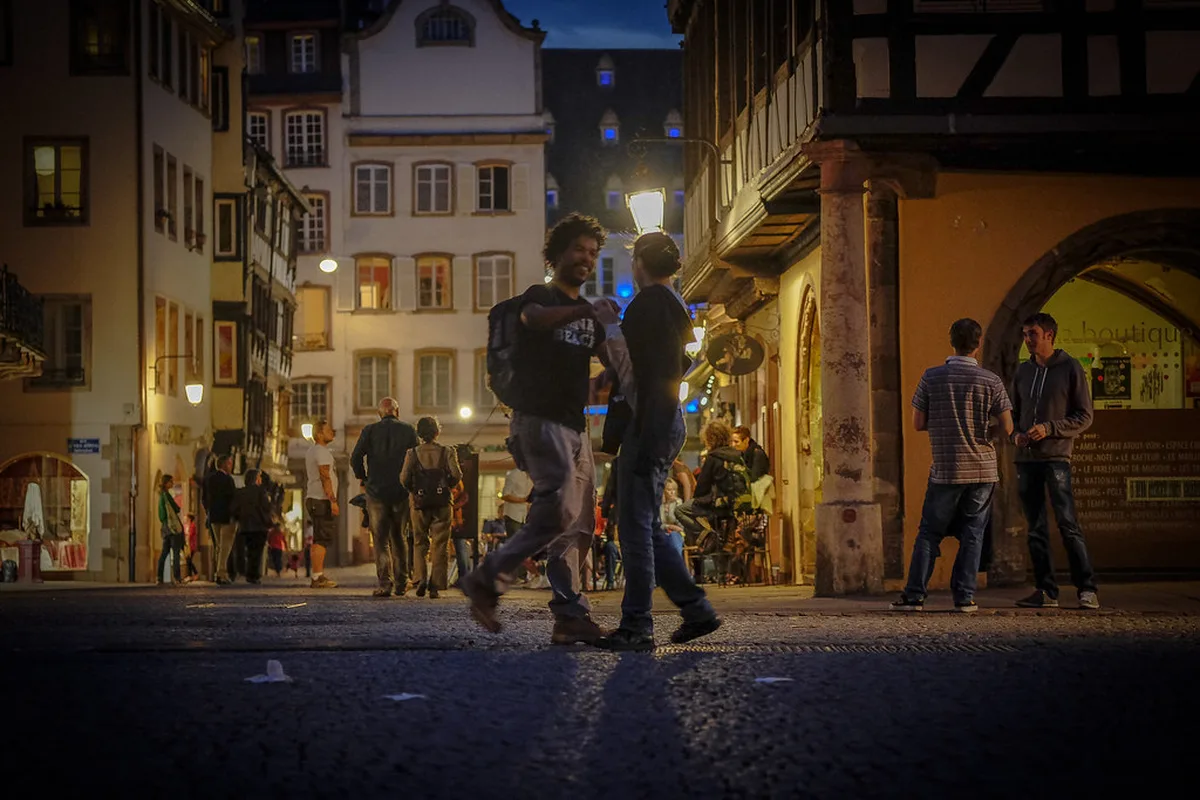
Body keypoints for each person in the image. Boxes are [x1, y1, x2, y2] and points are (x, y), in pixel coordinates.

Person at [460, 212, 610, 645]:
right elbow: (533, 319)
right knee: (558, 507)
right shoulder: (540, 298)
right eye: (578, 249)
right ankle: (486, 578)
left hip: (575, 426)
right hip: (538, 421)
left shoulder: (590, 320)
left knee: (578, 523)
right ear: (557, 254)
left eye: (593, 253)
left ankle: (570, 615)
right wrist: (586, 310)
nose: (586, 258)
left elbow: (604, 374)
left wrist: (618, 376)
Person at [594, 231, 721, 651]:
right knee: (646, 526)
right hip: (661, 419)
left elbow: (635, 369)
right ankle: (695, 610)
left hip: (649, 421)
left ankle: (637, 624)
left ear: (639, 265)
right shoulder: (673, 305)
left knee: (635, 528)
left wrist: (609, 326)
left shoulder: (649, 305)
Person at [890, 318, 1014, 613]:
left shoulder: (931, 377)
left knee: (929, 533)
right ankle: (964, 597)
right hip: (983, 469)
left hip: (947, 468)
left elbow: (918, 422)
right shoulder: (991, 381)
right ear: (978, 343)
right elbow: (1008, 426)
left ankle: (915, 595)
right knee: (973, 533)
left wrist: (945, 424)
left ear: (951, 341)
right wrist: (986, 431)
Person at [1010, 312, 1100, 610]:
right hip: (1026, 460)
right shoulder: (1023, 371)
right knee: (1035, 527)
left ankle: (1087, 589)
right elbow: (1012, 413)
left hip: (1056, 457)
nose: (1027, 339)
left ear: (1049, 335)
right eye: (1025, 334)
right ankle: (1046, 591)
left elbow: (1084, 416)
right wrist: (1016, 435)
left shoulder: (1070, 368)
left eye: (1032, 334)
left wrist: (1050, 428)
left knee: (1067, 523)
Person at [351, 397, 420, 598]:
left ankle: (384, 584)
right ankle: (401, 582)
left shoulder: (370, 430)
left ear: (379, 413)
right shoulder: (409, 430)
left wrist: (363, 478)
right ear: (397, 412)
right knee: (399, 537)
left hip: (376, 492)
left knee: (380, 540)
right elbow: (416, 459)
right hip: (401, 491)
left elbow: (355, 457)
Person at [400, 416, 462, 599]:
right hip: (442, 502)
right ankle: (435, 585)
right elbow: (457, 474)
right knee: (440, 543)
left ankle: (420, 579)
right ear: (437, 432)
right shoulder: (447, 451)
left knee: (419, 542)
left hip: (419, 502)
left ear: (419, 433)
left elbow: (404, 478)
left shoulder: (412, 453)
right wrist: (447, 486)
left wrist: (414, 490)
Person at [674, 420, 748, 542]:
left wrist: (698, 497)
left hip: (717, 503)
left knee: (680, 510)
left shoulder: (713, 457)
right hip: (737, 501)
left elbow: (702, 487)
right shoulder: (738, 455)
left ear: (710, 439)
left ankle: (707, 534)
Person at [304, 418, 340, 589]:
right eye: (328, 430)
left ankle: (318, 574)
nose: (332, 432)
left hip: (314, 498)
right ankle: (317, 576)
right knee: (321, 539)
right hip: (320, 499)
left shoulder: (313, 451)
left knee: (320, 537)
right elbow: (325, 476)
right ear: (319, 434)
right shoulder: (321, 452)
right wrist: (332, 500)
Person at [232, 468, 273, 584]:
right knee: (257, 552)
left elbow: (234, 509)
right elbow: (266, 507)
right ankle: (253, 575)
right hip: (259, 526)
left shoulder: (240, 492)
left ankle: (246, 572)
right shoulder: (261, 491)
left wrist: (239, 518)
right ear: (256, 479)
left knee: (249, 551)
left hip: (244, 526)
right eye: (259, 477)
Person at [202, 454, 236, 586]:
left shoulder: (209, 479)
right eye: (229, 463)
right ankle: (221, 573)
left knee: (218, 546)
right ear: (224, 464)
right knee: (225, 547)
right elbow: (232, 498)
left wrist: (209, 510)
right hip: (226, 517)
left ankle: (219, 572)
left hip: (213, 516)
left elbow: (204, 498)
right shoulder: (228, 479)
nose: (231, 466)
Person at [156, 475, 184, 586]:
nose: (172, 483)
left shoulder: (161, 496)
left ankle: (159, 577)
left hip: (165, 527)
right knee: (176, 552)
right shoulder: (167, 496)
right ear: (166, 483)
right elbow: (176, 508)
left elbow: (161, 515)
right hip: (172, 527)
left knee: (164, 553)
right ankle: (177, 577)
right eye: (171, 481)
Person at [450, 479, 472, 587]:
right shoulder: (463, 496)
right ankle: (464, 575)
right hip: (460, 525)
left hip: (459, 525)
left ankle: (464, 576)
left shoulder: (461, 497)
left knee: (461, 549)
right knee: (461, 549)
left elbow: (455, 507)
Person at [499, 466, 532, 540]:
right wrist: (522, 500)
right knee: (515, 541)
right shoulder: (514, 474)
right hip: (513, 515)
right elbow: (505, 495)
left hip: (525, 516)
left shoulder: (533, 476)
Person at [660, 478, 686, 558]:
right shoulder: (661, 505)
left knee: (673, 537)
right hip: (663, 533)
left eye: (674, 489)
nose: (672, 492)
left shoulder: (678, 502)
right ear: (664, 491)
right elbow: (659, 524)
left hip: (678, 533)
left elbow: (680, 526)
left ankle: (677, 561)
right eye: (669, 490)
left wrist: (675, 506)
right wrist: (669, 526)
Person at [183, 514, 201, 583]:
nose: (185, 519)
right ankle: (192, 575)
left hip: (191, 546)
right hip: (187, 546)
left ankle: (192, 575)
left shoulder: (192, 526)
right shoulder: (185, 526)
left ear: (190, 519)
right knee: (188, 561)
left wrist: (186, 534)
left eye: (186, 518)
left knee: (189, 561)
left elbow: (190, 535)